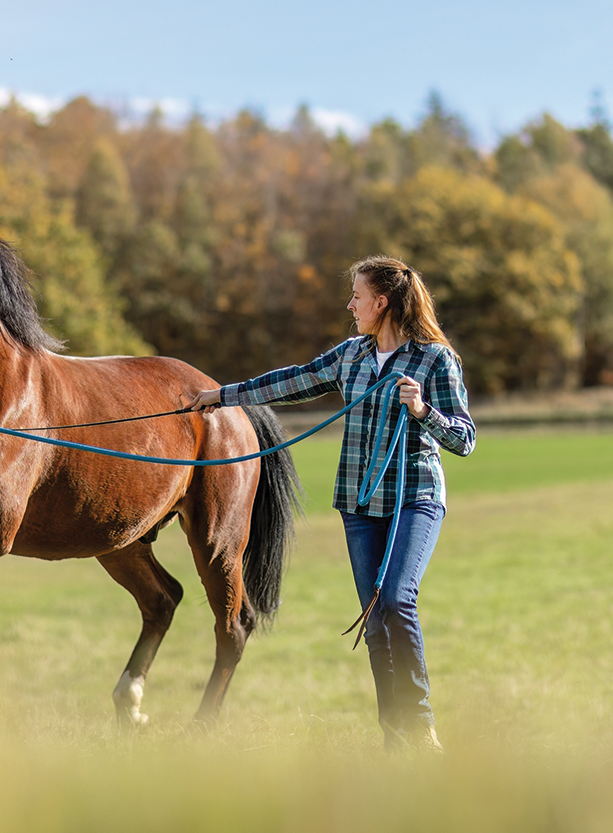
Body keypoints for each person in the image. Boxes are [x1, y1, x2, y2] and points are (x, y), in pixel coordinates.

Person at [188, 255, 475, 751]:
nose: (351, 304)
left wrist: (423, 410)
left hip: (415, 498)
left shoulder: (434, 360)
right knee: (374, 616)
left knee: (396, 601)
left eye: (357, 297)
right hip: (360, 503)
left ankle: (422, 724)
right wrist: (224, 395)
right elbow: (291, 381)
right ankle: (394, 737)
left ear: (381, 302)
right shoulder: (352, 356)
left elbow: (464, 439)